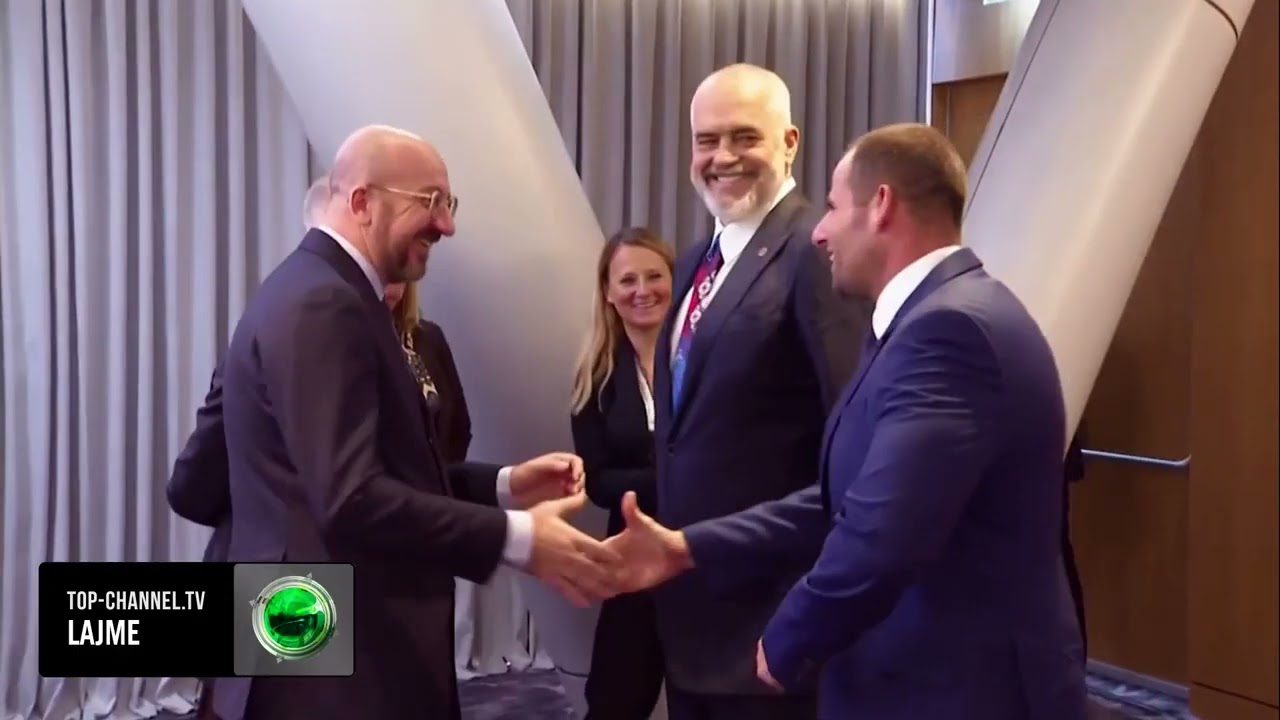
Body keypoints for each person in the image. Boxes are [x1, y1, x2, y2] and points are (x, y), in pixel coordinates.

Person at [606, 123, 1088, 720]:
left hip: (959, 688)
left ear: (881, 205)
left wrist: (789, 635)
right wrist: (687, 547)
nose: (820, 231)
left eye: (833, 208)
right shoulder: (922, 320)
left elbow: (882, 531)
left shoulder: (949, 330)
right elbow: (846, 497)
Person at [211, 124, 620, 720]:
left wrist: (505, 485)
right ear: (361, 202)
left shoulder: (328, 291)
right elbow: (351, 498)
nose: (446, 226)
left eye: (449, 204)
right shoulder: (326, 303)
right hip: (332, 658)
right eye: (429, 202)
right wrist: (520, 539)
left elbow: (378, 471)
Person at [650, 63, 867, 720]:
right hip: (693, 615)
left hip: (776, 625)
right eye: (706, 140)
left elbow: (853, 451)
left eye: (744, 138)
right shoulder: (696, 262)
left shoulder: (816, 255)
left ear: (789, 143)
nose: (723, 158)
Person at [570, 227, 675, 719]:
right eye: (628, 280)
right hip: (632, 558)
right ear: (608, 293)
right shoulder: (596, 376)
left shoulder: (708, 361)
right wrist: (674, 476)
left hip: (708, 554)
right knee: (615, 702)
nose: (642, 290)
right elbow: (597, 481)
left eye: (654, 276)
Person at [384, 280, 472, 463]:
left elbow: (459, 425)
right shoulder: (349, 343)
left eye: (398, 276)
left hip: (443, 476)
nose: (393, 289)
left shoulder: (428, 336)